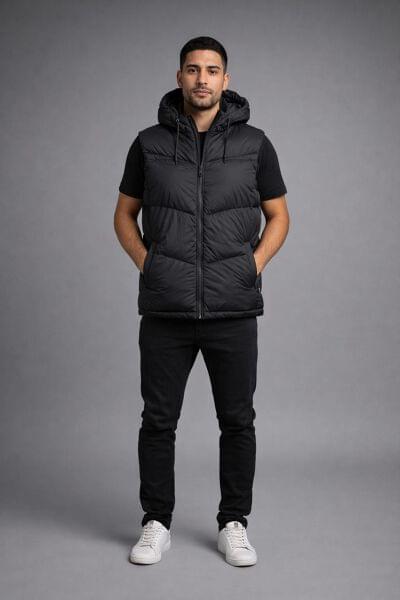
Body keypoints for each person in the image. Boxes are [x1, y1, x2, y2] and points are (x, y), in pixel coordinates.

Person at [114, 36, 290, 567]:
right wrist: (149, 264)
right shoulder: (148, 144)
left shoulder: (255, 144)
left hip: (232, 309)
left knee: (237, 421)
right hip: (165, 309)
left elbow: (279, 216)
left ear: (226, 80)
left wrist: (252, 266)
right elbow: (124, 215)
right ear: (179, 77)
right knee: (157, 421)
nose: (202, 79)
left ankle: (234, 523)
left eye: (212, 70)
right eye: (193, 69)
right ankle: (156, 522)